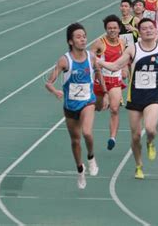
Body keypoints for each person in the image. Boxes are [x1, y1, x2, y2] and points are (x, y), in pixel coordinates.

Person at [98, 18, 158, 180]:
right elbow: (116, 66)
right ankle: (139, 166)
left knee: (150, 129)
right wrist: (99, 61)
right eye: (144, 28)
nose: (148, 30)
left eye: (151, 28)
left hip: (153, 96)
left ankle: (150, 142)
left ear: (155, 31)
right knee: (135, 136)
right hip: (135, 98)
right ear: (139, 33)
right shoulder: (133, 50)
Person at [45, 23, 101, 189]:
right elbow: (48, 82)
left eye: (84, 36)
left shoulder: (91, 57)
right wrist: (55, 92)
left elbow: (97, 71)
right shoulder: (65, 60)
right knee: (75, 141)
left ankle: (91, 157)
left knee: (87, 132)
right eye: (78, 37)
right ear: (70, 41)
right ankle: (80, 171)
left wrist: (102, 92)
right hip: (70, 105)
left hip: (88, 101)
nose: (83, 39)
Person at [91, 15, 126, 150]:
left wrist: (124, 69)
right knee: (99, 107)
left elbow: (124, 58)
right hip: (100, 81)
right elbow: (90, 59)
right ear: (106, 29)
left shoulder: (122, 42)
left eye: (115, 28)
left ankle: (112, 138)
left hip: (115, 81)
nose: (112, 30)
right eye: (109, 28)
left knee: (114, 109)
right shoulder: (99, 43)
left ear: (119, 29)